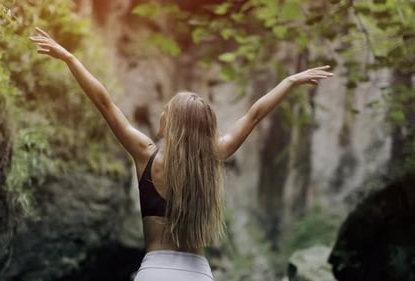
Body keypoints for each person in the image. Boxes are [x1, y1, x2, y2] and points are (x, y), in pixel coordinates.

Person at [29, 27, 333, 281]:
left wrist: (70, 59)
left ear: (174, 123)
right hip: (198, 274)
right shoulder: (213, 156)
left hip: (154, 272)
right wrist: (290, 81)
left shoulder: (146, 156)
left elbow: (105, 103)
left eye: (167, 111)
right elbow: (254, 115)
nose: (161, 113)